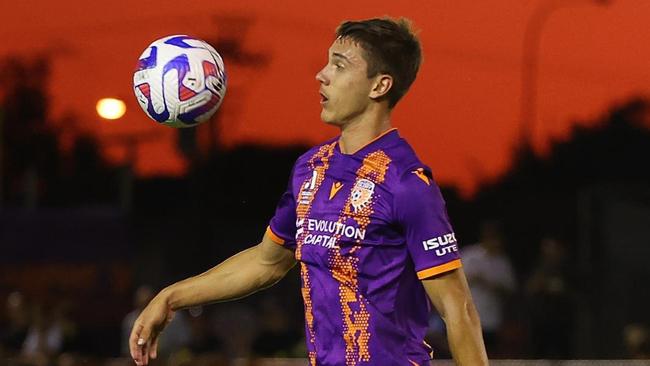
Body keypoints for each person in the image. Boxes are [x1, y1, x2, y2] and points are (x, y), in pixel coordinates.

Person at [130, 17, 487, 366]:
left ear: (379, 86)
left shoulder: (407, 184)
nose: (322, 74)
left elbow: (460, 311)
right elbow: (266, 262)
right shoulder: (311, 169)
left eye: (339, 65)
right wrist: (171, 296)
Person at [462, 220, 516, 354]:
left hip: (492, 319)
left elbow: (510, 289)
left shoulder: (503, 262)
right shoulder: (469, 255)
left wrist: (490, 284)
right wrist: (473, 279)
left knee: (489, 355)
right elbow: (454, 283)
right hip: (468, 317)